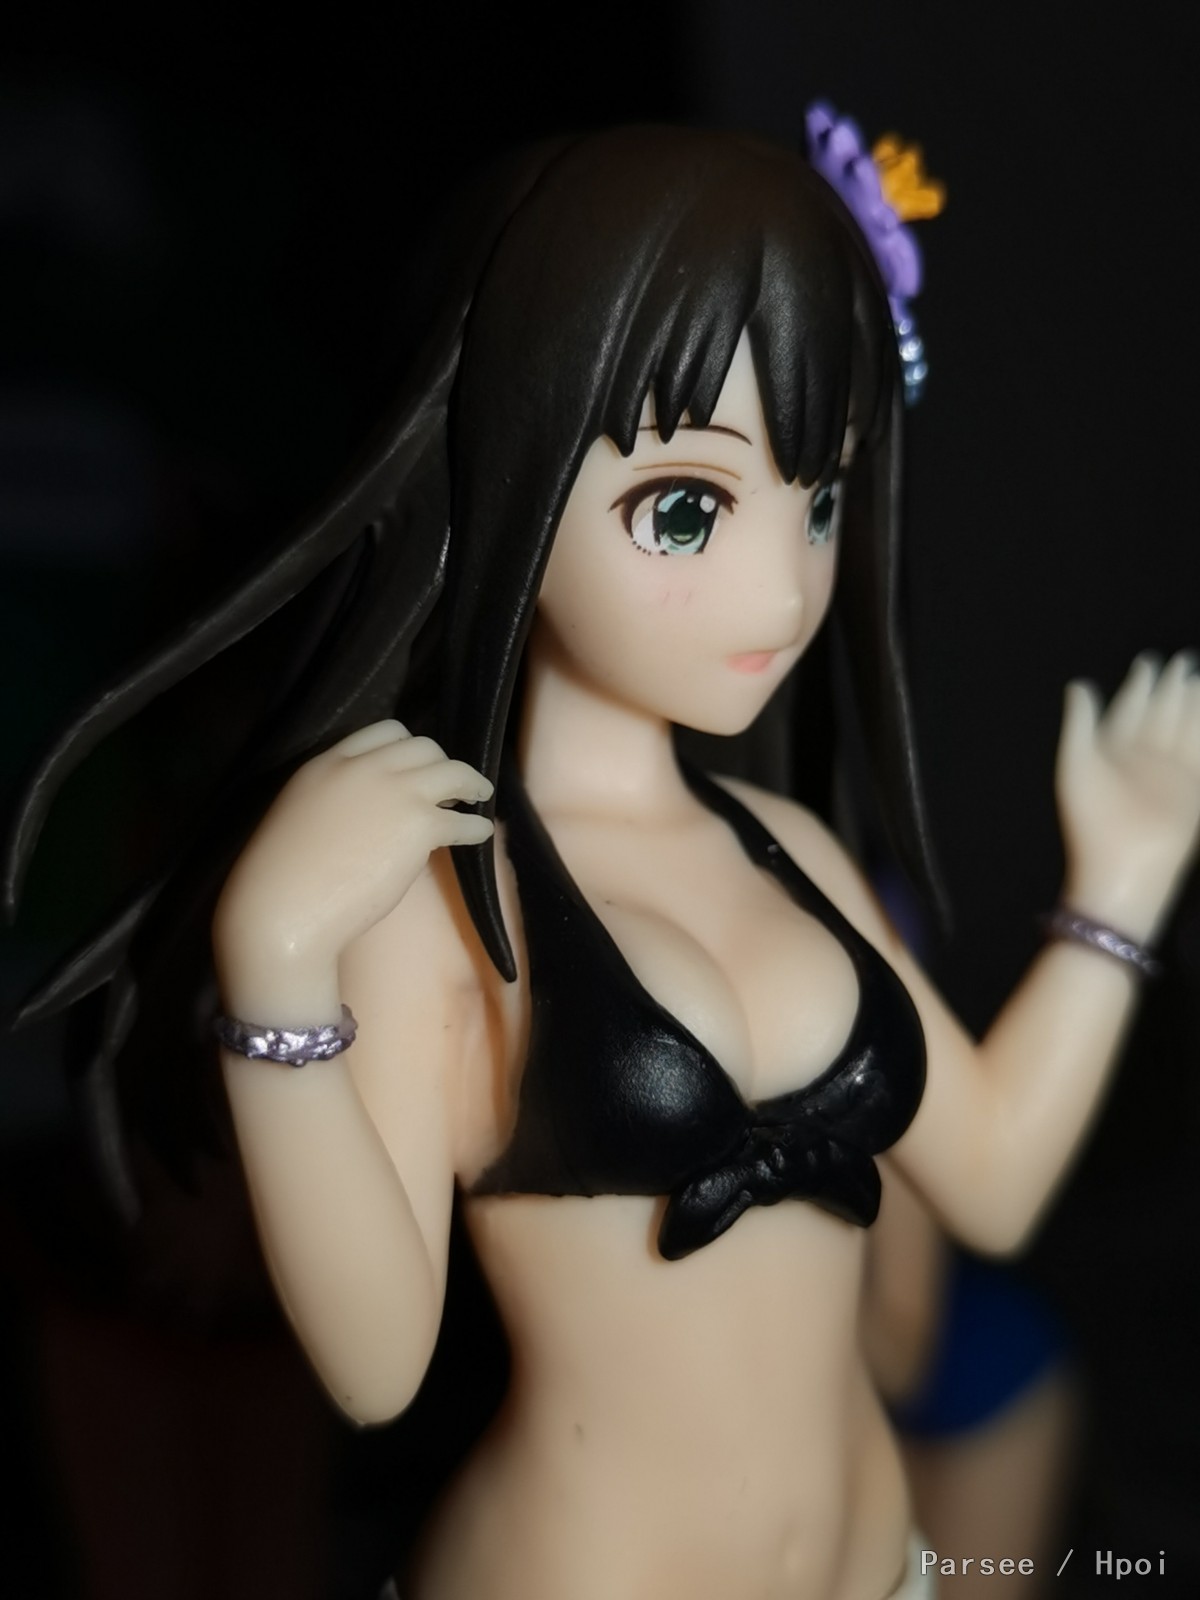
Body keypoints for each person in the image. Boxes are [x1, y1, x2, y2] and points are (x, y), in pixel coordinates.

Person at [9, 126, 1200, 1600]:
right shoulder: (448, 894)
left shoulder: (793, 851)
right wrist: (279, 976)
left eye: (821, 501)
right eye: (688, 510)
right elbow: (377, 1367)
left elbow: (998, 1180)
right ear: (513, 465)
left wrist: (1120, 889)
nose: (784, 589)